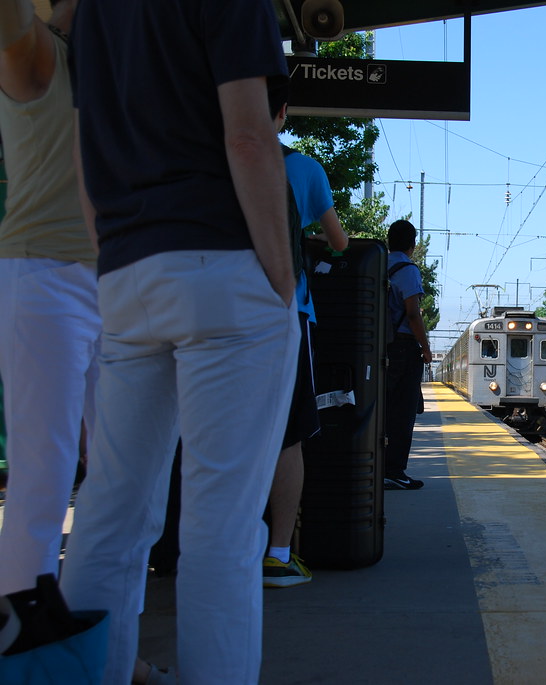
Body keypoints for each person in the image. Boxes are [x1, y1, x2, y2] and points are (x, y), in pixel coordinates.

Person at [58, 2, 299, 683]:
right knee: (220, 527)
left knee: (111, 509)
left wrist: (116, 254)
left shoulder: (93, 15)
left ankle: (87, 673)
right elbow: (249, 136)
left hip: (128, 272)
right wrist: (279, 278)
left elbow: (85, 155)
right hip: (223, 268)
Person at [0, 0, 101, 597]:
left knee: (122, 481)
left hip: (115, 281)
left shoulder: (111, 71)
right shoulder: (41, 54)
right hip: (44, 275)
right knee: (46, 471)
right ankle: (24, 633)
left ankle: (98, 641)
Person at [263, 95, 349, 588]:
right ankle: (278, 553)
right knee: (288, 434)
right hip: (284, 311)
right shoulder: (304, 169)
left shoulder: (206, 160)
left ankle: (220, 548)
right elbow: (338, 242)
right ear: (283, 111)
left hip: (212, 310)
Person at [384, 219, 432, 490]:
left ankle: (379, 465)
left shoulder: (380, 264)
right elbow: (412, 313)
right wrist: (425, 348)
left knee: (383, 410)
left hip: (381, 346)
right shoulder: (408, 269)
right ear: (413, 245)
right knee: (403, 413)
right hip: (403, 346)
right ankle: (395, 471)